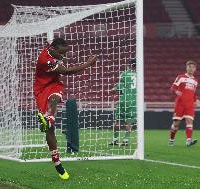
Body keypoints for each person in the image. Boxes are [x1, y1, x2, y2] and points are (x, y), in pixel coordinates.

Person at [34, 38, 97, 180]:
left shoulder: (51, 48)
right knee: (50, 130)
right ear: (54, 50)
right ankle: (57, 162)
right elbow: (68, 71)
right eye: (62, 53)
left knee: (55, 97)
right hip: (41, 89)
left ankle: (49, 118)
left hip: (54, 84)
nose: (64, 56)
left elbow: (50, 43)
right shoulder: (46, 60)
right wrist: (88, 64)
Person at [168, 60, 200, 147]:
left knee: (189, 121)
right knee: (176, 124)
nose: (191, 69)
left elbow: (193, 93)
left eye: (193, 67)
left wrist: (196, 100)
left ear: (195, 69)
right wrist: (176, 91)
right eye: (189, 67)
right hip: (180, 104)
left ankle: (188, 141)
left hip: (189, 105)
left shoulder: (196, 80)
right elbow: (173, 87)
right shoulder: (181, 77)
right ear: (186, 68)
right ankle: (171, 139)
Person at [109, 60, 136, 146]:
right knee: (129, 122)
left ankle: (115, 139)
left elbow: (119, 88)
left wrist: (113, 90)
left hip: (123, 100)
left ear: (128, 65)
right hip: (134, 101)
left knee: (117, 120)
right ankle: (126, 140)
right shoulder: (139, 75)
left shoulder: (124, 73)